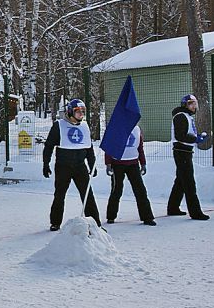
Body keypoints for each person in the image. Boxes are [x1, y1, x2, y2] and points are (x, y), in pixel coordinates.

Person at [42, 98, 102, 231]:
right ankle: (55, 222)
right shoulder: (59, 126)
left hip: (80, 166)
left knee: (87, 194)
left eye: (83, 111)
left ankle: (95, 223)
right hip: (63, 166)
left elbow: (89, 148)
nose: (81, 114)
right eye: (77, 111)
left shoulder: (84, 126)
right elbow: (49, 146)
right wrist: (46, 164)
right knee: (60, 194)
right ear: (70, 112)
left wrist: (92, 165)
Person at [168, 93, 210, 220]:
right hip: (181, 151)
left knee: (181, 181)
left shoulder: (186, 116)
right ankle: (195, 212)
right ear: (184, 105)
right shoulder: (181, 116)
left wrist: (197, 137)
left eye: (194, 104)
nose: (193, 106)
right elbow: (180, 136)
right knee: (189, 182)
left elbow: (187, 133)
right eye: (190, 104)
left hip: (185, 151)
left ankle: (173, 208)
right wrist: (195, 139)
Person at [104, 123, 156, 226]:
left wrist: (143, 163)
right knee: (116, 190)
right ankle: (111, 216)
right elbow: (109, 147)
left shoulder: (137, 129)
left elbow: (140, 147)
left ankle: (147, 217)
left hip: (133, 164)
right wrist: (108, 164)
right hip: (117, 164)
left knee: (140, 190)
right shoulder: (115, 128)